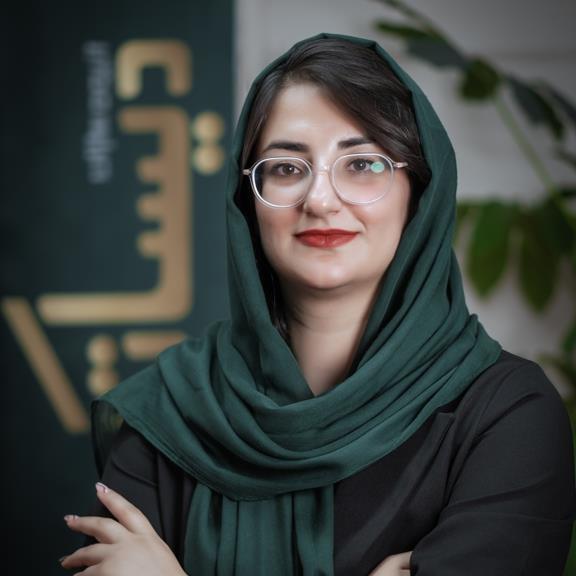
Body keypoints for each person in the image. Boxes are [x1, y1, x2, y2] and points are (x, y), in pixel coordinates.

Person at [60, 33, 576, 575]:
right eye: (286, 168)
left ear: (419, 192)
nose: (321, 199)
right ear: (247, 202)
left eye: (363, 164)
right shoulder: (171, 416)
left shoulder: (508, 415)